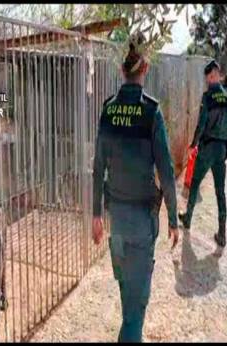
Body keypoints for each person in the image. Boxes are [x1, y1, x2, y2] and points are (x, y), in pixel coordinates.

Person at [92, 33, 179, 343]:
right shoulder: (151, 112)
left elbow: (98, 166)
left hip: (117, 222)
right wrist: (173, 217)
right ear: (145, 69)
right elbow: (167, 171)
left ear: (122, 70)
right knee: (135, 310)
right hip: (142, 224)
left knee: (128, 301)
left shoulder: (108, 109)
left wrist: (95, 215)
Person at [178, 60, 227, 247]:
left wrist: (193, 144)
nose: (207, 81)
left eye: (208, 77)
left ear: (212, 75)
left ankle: (188, 218)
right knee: (220, 192)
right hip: (222, 149)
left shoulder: (207, 97)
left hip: (207, 148)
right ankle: (222, 234)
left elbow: (202, 123)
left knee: (195, 182)